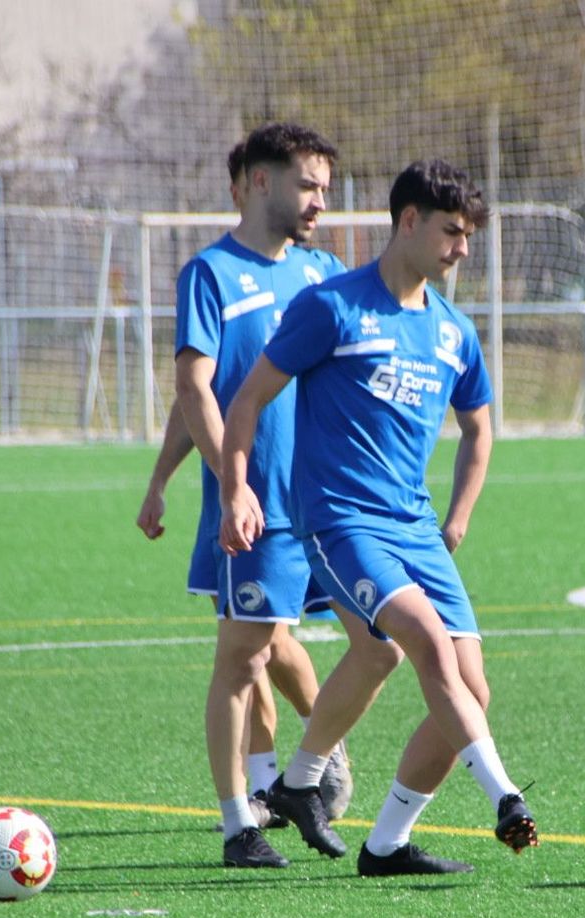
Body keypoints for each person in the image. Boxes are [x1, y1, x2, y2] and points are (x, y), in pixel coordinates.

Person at [220, 159, 537, 876]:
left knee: (463, 683)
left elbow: (480, 429)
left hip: (417, 528)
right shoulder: (333, 308)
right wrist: (238, 489)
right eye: (451, 232)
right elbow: (246, 400)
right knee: (423, 643)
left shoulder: (454, 331)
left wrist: (456, 518)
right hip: (341, 522)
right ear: (408, 222)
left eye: (468, 236)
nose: (461, 249)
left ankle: (375, 836)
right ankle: (506, 796)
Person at [135, 123, 377, 868]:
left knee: (302, 642)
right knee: (244, 655)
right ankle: (240, 819)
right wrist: (203, 482)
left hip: (325, 506)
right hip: (257, 507)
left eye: (326, 191)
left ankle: (309, 762)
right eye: (308, 186)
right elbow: (193, 389)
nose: (319, 203)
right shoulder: (209, 274)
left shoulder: (323, 274)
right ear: (259, 182)